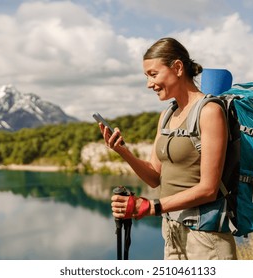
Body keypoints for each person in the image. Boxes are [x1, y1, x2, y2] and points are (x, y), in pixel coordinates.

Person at [97, 37, 237, 260]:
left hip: (206, 237)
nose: (148, 84)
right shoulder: (166, 116)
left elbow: (208, 189)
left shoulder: (209, 111)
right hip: (171, 230)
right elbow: (154, 177)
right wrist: (123, 151)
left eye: (153, 74)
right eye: (146, 77)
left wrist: (150, 207)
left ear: (178, 68)